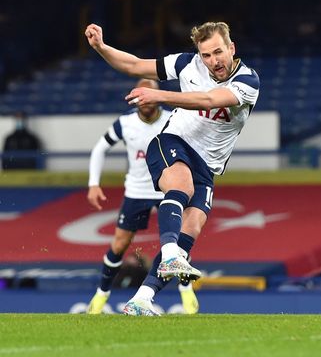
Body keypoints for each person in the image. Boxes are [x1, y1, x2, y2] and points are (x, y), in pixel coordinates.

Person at [85, 21, 259, 316]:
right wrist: (102, 48)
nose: (213, 61)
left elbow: (209, 99)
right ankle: (168, 255)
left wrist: (160, 95)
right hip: (172, 142)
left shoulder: (248, 81)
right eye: (206, 55)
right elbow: (135, 66)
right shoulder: (186, 64)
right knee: (181, 188)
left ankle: (142, 299)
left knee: (189, 233)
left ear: (231, 49)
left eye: (218, 52)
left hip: (208, 165)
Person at [85, 79, 199, 315]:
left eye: (149, 95)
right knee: (120, 244)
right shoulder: (125, 123)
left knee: (179, 238)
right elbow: (100, 148)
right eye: (139, 96)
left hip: (167, 188)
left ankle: (186, 290)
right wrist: (93, 183)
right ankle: (101, 295)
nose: (144, 101)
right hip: (136, 190)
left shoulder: (172, 118)